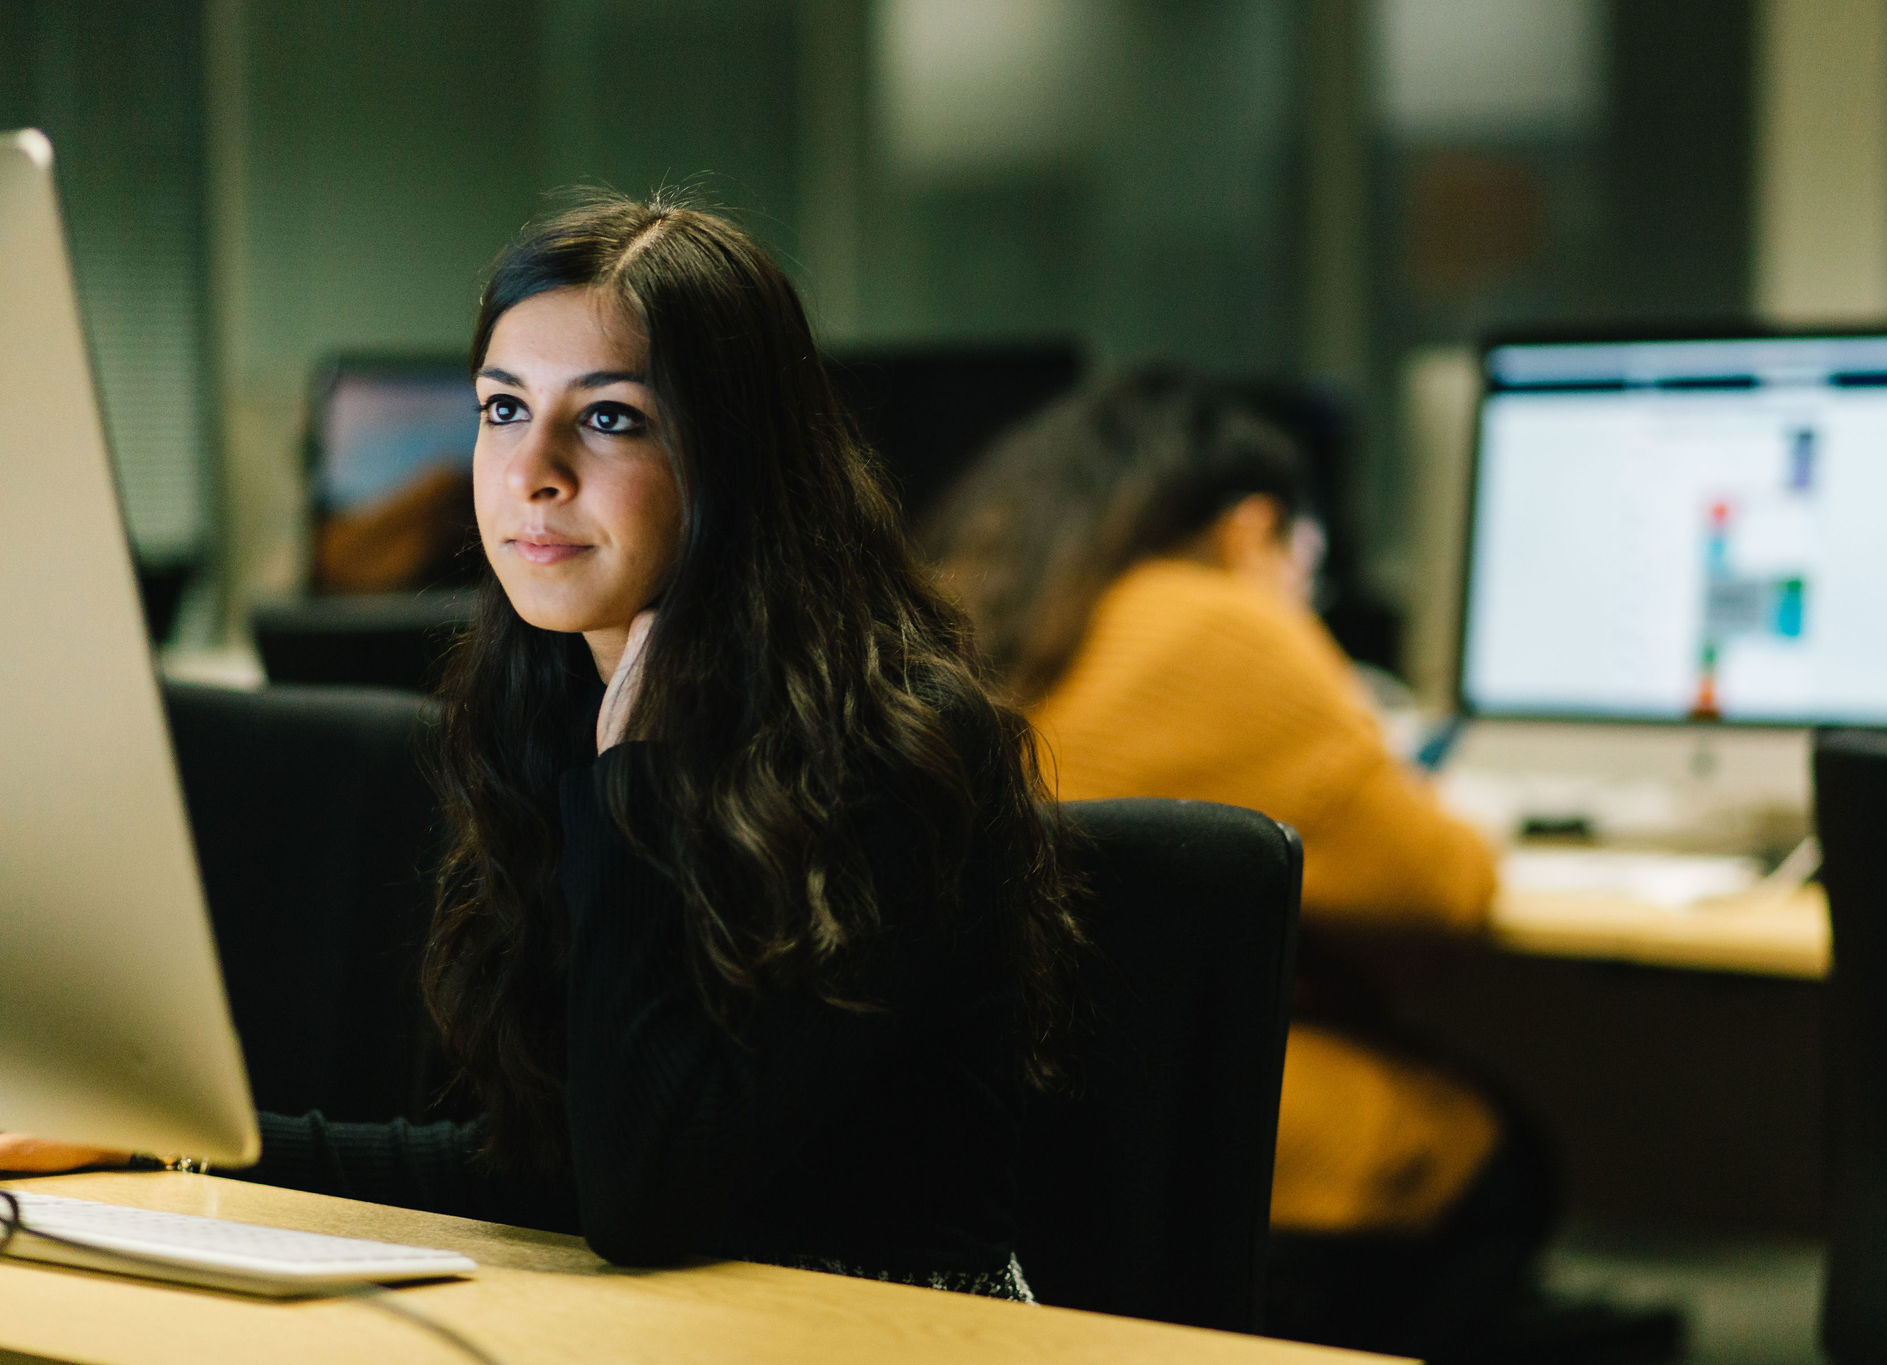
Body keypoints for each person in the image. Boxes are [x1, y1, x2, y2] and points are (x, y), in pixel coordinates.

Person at [0, 195, 1081, 1300]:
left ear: (737, 459)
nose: (533, 470)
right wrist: (154, 1147)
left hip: (893, 1331)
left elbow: (642, 1199)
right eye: (502, 409)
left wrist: (634, 788)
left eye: (608, 419)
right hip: (660, 1319)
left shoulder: (886, 747)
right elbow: (542, 1170)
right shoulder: (550, 699)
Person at [926, 370, 1560, 1353]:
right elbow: (1441, 893)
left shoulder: (990, 605)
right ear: (1253, 531)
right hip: (1189, 1137)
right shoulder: (1215, 618)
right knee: (1504, 1152)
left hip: (1002, 1142)